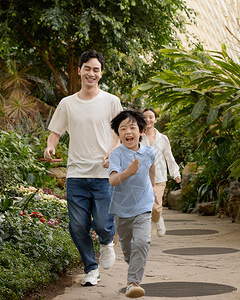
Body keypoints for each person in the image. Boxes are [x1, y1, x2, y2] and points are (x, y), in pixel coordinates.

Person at [44, 49, 122, 286]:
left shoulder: (111, 101)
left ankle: (107, 241)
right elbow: (55, 133)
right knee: (78, 226)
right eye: (86, 68)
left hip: (103, 174)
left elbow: (121, 133)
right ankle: (91, 268)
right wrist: (50, 148)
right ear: (79, 71)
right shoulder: (67, 103)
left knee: (101, 223)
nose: (91, 73)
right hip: (76, 175)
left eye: (95, 69)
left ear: (101, 73)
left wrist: (113, 151)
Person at [108, 110, 157, 298]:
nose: (128, 132)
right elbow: (112, 181)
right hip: (121, 209)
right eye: (123, 129)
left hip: (143, 205)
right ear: (118, 134)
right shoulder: (116, 155)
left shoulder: (150, 152)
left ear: (141, 131)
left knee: (142, 242)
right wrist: (128, 172)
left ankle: (133, 283)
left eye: (132, 127)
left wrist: (153, 188)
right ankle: (134, 262)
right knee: (129, 250)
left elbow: (151, 169)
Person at [141, 108, 181, 237]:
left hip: (159, 178)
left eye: (151, 117)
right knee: (145, 207)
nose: (148, 120)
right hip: (142, 178)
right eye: (145, 117)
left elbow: (169, 157)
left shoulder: (163, 138)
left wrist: (175, 173)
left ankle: (158, 219)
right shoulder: (138, 138)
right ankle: (145, 233)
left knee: (155, 207)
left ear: (155, 119)